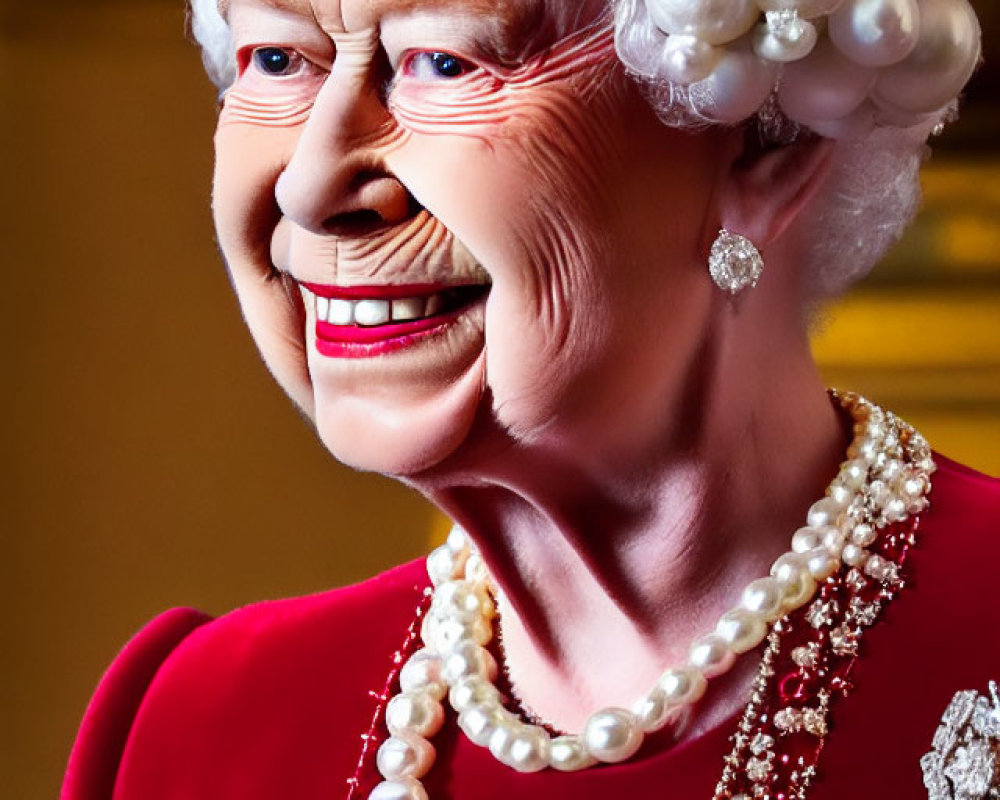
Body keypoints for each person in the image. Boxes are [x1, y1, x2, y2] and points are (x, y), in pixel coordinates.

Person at [62, 0, 1000, 798]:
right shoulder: (187, 731)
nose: (312, 185)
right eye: (275, 59)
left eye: (441, 62)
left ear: (770, 147)